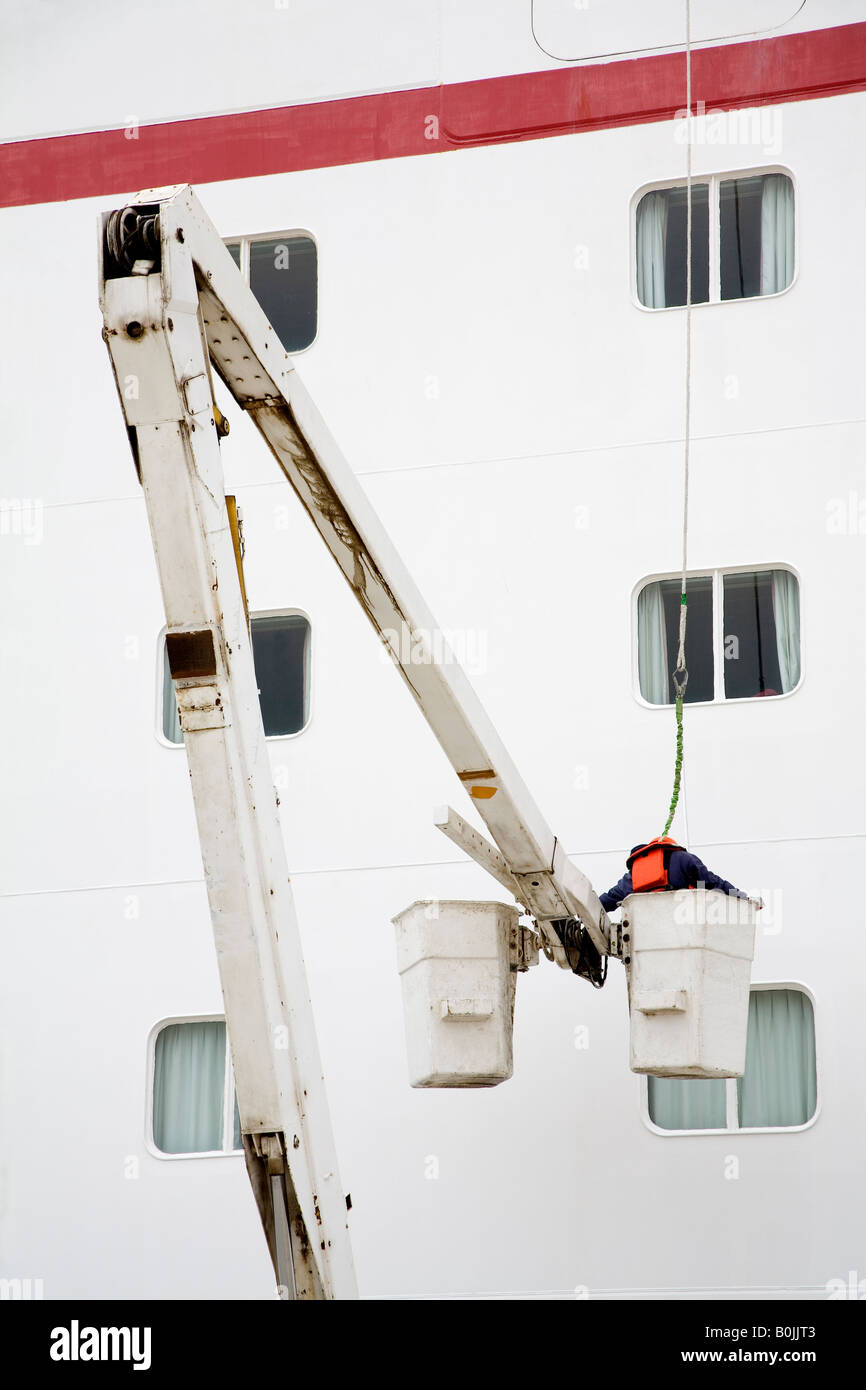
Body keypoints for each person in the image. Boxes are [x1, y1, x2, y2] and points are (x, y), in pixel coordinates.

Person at [599, 835, 750, 913]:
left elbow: (607, 900)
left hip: (647, 933)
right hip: (683, 923)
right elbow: (712, 882)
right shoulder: (683, 859)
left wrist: (582, 912)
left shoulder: (632, 877)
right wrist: (741, 897)